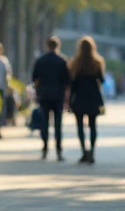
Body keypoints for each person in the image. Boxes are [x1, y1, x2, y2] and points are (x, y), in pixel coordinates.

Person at [31, 36, 70, 161]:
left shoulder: (41, 60)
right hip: (58, 95)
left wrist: (37, 93)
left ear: (47, 46)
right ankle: (58, 150)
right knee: (58, 124)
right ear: (58, 46)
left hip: (44, 94)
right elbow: (67, 82)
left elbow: (35, 79)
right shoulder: (62, 61)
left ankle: (45, 147)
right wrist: (67, 99)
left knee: (45, 122)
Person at [68, 36, 106, 165]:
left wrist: (69, 101)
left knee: (80, 126)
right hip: (93, 97)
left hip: (79, 97)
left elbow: (72, 83)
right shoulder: (97, 62)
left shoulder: (75, 63)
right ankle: (92, 153)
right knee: (93, 125)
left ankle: (84, 152)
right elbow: (102, 80)